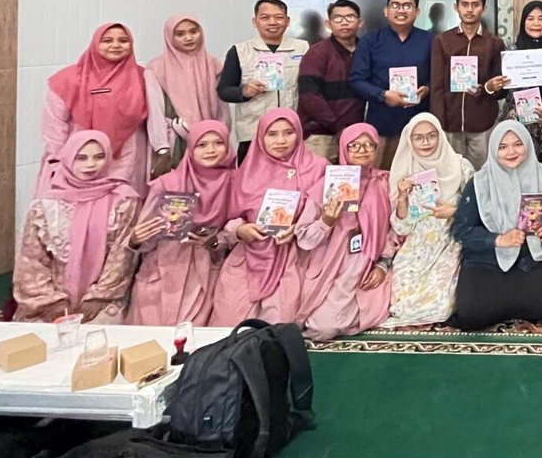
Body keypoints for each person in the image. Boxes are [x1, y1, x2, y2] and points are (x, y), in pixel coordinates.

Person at [209, 108, 324, 325]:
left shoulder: (317, 167)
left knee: (279, 321)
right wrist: (240, 229)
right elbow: (228, 218)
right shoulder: (247, 171)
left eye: (288, 133)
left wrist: (298, 228)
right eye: (272, 134)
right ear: (261, 137)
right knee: (229, 321)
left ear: (299, 133)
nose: (281, 141)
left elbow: (325, 216)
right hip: (250, 255)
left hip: (295, 255)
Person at [14, 130, 140, 324]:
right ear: (68, 158)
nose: (91, 164)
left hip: (105, 299)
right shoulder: (46, 206)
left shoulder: (122, 201)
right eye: (81, 158)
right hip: (49, 301)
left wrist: (98, 297)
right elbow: (31, 261)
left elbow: (121, 256)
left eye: (99, 157)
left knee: (103, 333)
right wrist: (53, 303)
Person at [450, 120, 542, 329]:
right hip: (486, 260)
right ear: (493, 150)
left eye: (517, 144)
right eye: (502, 147)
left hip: (528, 259)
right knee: (472, 315)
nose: (511, 152)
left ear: (528, 144)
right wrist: (499, 239)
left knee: (541, 307)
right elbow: (462, 231)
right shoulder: (479, 182)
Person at [126, 120, 235, 327]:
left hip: (206, 272)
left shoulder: (234, 182)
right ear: (191, 147)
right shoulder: (166, 183)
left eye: (218, 143)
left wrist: (215, 241)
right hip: (162, 270)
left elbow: (234, 232)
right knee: (152, 337)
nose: (211, 150)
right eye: (202, 145)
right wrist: (136, 240)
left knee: (194, 339)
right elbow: (144, 235)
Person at [37, 23, 163, 197]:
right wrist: (58, 159)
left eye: (123, 41)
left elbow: (156, 119)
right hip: (81, 158)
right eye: (107, 41)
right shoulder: (69, 79)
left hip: (127, 158)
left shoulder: (143, 77)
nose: (116, 45)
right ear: (96, 43)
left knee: (122, 206)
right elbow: (54, 124)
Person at [296, 123, 396, 341]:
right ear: (343, 148)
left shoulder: (385, 182)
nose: (363, 150)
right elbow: (304, 237)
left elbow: (395, 229)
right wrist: (326, 221)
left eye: (369, 145)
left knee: (374, 309)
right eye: (355, 145)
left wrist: (383, 264)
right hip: (330, 264)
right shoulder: (326, 185)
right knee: (320, 328)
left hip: (367, 263)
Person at [385, 112, 473, 325]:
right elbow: (401, 228)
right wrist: (402, 198)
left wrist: (454, 211)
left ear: (440, 136)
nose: (426, 142)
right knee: (400, 299)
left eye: (432, 135)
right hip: (417, 244)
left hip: (450, 241)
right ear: (409, 140)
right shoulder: (405, 171)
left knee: (440, 305)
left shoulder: (461, 167)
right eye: (418, 137)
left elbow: (477, 210)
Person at [349, 0, 434, 167]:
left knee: (418, 178)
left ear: (417, 12)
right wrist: (383, 95)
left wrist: (427, 89)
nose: (401, 10)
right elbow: (357, 80)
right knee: (379, 176)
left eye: (407, 6)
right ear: (386, 11)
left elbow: (439, 77)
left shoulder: (430, 40)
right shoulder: (370, 40)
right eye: (395, 5)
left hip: (419, 126)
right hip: (381, 124)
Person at [218, 0, 310, 162]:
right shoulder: (240, 51)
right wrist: (244, 91)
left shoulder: (303, 48)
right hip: (253, 132)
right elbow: (224, 90)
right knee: (252, 177)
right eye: (265, 17)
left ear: (287, 21)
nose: (272, 22)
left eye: (278, 17)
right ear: (255, 22)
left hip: (290, 133)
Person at [430, 0, 509, 170]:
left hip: (482, 121)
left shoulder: (495, 43)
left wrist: (489, 87)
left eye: (475, 4)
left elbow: (501, 90)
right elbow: (436, 86)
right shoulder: (442, 41)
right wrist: (438, 122)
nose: (470, 9)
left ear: (484, 8)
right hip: (450, 121)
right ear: (456, 7)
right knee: (452, 172)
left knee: (482, 172)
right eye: (464, 4)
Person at [145, 14, 224, 178]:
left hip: (209, 140)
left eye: (193, 31)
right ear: (169, 37)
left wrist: (221, 136)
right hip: (175, 141)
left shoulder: (213, 64)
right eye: (180, 34)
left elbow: (222, 109)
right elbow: (155, 110)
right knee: (178, 189)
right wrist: (162, 147)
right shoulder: (156, 68)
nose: (188, 38)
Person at [299, 0, 366, 161]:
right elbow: (310, 97)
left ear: (360, 22)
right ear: (328, 24)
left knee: (354, 177)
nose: (344, 22)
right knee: (318, 177)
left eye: (350, 17)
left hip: (358, 135)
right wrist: (338, 126)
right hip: (322, 136)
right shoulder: (317, 53)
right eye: (338, 18)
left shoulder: (367, 50)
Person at [509, 1, 542, 170]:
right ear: (523, 22)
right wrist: (492, 86)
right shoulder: (510, 52)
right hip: (516, 127)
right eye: (530, 18)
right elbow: (500, 92)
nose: (536, 23)